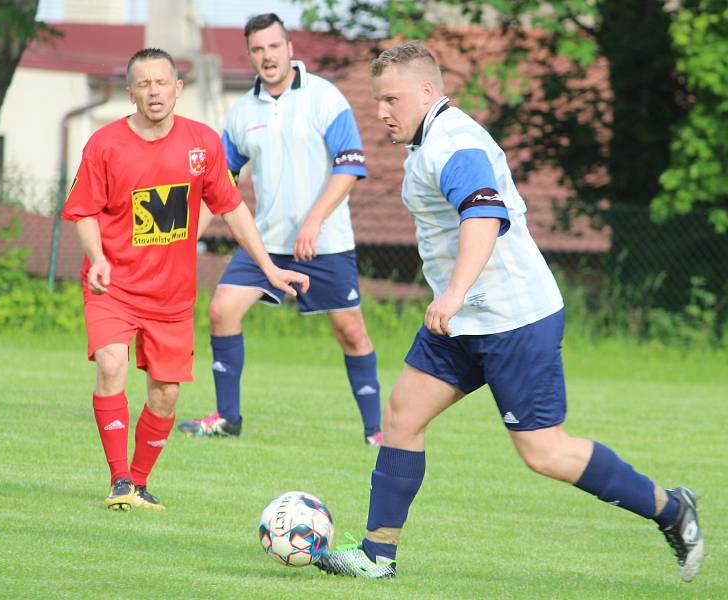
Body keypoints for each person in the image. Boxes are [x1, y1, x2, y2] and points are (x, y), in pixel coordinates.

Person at [314, 42, 704, 582]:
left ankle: (671, 508)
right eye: (378, 101)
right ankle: (378, 555)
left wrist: (451, 294)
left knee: (544, 453)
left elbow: (482, 217)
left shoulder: (455, 144)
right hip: (463, 321)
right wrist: (455, 301)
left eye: (390, 99)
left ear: (427, 92)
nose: (381, 112)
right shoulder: (427, 142)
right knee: (402, 415)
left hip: (514, 320)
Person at [62, 48, 308, 511]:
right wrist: (96, 257)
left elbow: (231, 207)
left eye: (162, 83)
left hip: (171, 295)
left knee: (167, 395)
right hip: (111, 284)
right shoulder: (105, 144)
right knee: (111, 365)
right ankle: (118, 480)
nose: (154, 92)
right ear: (131, 93)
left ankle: (138, 482)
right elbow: (83, 211)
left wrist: (270, 268)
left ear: (178, 88)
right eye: (144, 85)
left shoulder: (202, 143)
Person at [177, 13, 383, 447]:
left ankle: (377, 432)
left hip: (325, 244)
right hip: (265, 243)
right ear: (250, 54)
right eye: (258, 49)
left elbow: (350, 167)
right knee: (221, 311)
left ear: (289, 48)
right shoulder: (242, 111)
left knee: (351, 333)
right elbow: (221, 184)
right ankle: (227, 419)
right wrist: (187, 237)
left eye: (274, 47)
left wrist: (314, 220)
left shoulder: (326, 98)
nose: (267, 56)